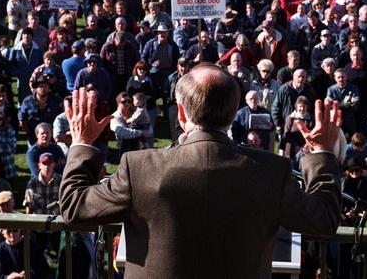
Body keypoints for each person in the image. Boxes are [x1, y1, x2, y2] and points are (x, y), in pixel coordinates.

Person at [59, 64, 342, 278]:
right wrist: (322, 154)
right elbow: (324, 219)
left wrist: (83, 144)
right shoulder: (271, 171)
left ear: (181, 114)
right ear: (233, 113)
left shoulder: (139, 168)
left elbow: (74, 207)